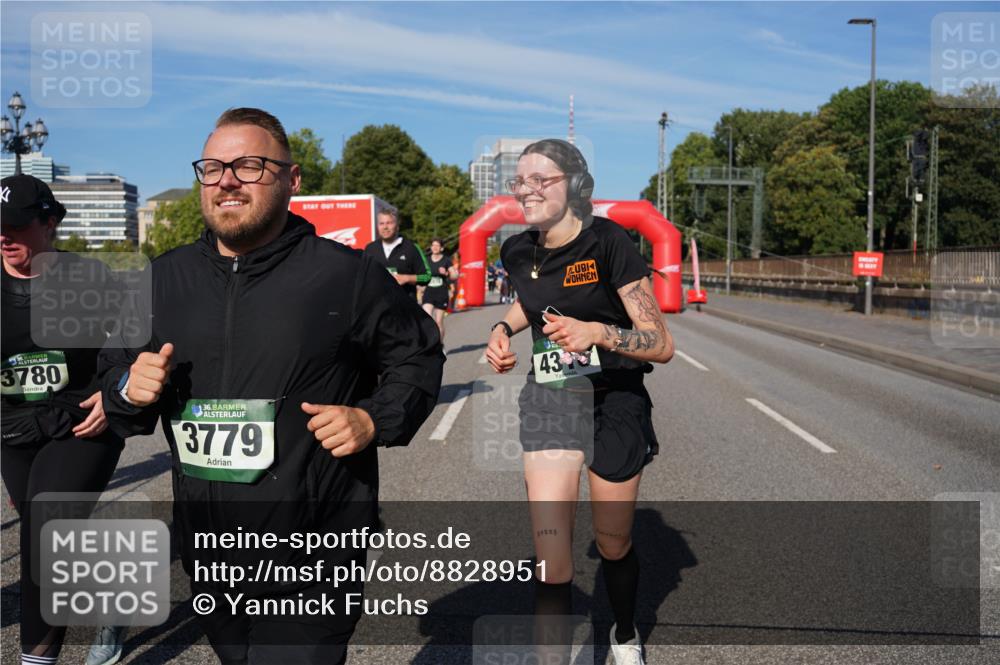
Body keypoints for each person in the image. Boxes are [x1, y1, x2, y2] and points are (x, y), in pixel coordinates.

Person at [97, 108, 444, 664]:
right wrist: (126, 388)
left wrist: (375, 417)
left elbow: (418, 356)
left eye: (249, 166)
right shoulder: (162, 279)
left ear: (292, 179)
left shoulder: (345, 276)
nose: (227, 180)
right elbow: (114, 376)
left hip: (314, 542)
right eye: (212, 168)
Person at [484, 140, 674, 665]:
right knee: (553, 556)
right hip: (552, 398)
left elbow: (661, 344)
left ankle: (624, 633)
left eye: (541, 179)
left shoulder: (610, 243)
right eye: (520, 181)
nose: (527, 190)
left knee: (613, 544)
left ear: (575, 185)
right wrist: (502, 329)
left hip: (615, 400)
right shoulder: (516, 250)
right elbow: (530, 301)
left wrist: (598, 331)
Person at [1, 175, 126, 665]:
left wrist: (113, 391)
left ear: (50, 223)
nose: (4, 236)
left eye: (16, 225)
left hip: (83, 420)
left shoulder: (89, 279)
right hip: (15, 427)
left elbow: (140, 342)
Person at [362, 209, 432, 300]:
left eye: (389, 223)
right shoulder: (370, 248)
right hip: (378, 306)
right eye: (381, 223)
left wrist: (407, 278)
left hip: (405, 306)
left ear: (397, 226)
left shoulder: (411, 248)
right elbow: (362, 277)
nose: (385, 227)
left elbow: (427, 276)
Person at [420, 238, 457, 341]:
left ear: (441, 248)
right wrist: (421, 284)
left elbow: (455, 275)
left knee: (439, 321)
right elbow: (421, 274)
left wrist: (446, 273)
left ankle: (440, 345)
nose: (434, 247)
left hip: (441, 292)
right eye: (433, 245)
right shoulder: (426, 260)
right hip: (429, 292)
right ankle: (430, 343)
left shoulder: (446, 260)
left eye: (437, 245)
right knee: (427, 317)